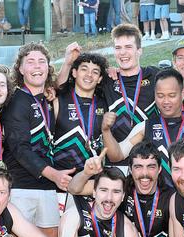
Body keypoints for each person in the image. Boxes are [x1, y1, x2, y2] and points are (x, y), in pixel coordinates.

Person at [1, 43, 76, 237]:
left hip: (46, 188)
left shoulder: (45, 98)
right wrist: (54, 174)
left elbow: (56, 84)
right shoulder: (17, 101)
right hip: (22, 187)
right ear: (20, 68)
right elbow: (18, 148)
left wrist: (69, 60)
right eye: (30, 61)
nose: (36, 65)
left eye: (42, 61)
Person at [58, 24, 159, 173]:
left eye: (128, 47)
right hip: (115, 166)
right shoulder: (106, 79)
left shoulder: (156, 76)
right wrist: (67, 63)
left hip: (149, 164)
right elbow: (59, 89)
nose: (123, 53)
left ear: (139, 50)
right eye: (118, 48)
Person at [52, 52, 109, 173]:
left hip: (92, 180)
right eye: (84, 69)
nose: (89, 75)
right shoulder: (58, 101)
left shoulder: (105, 105)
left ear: (99, 79)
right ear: (74, 73)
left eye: (95, 72)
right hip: (61, 179)